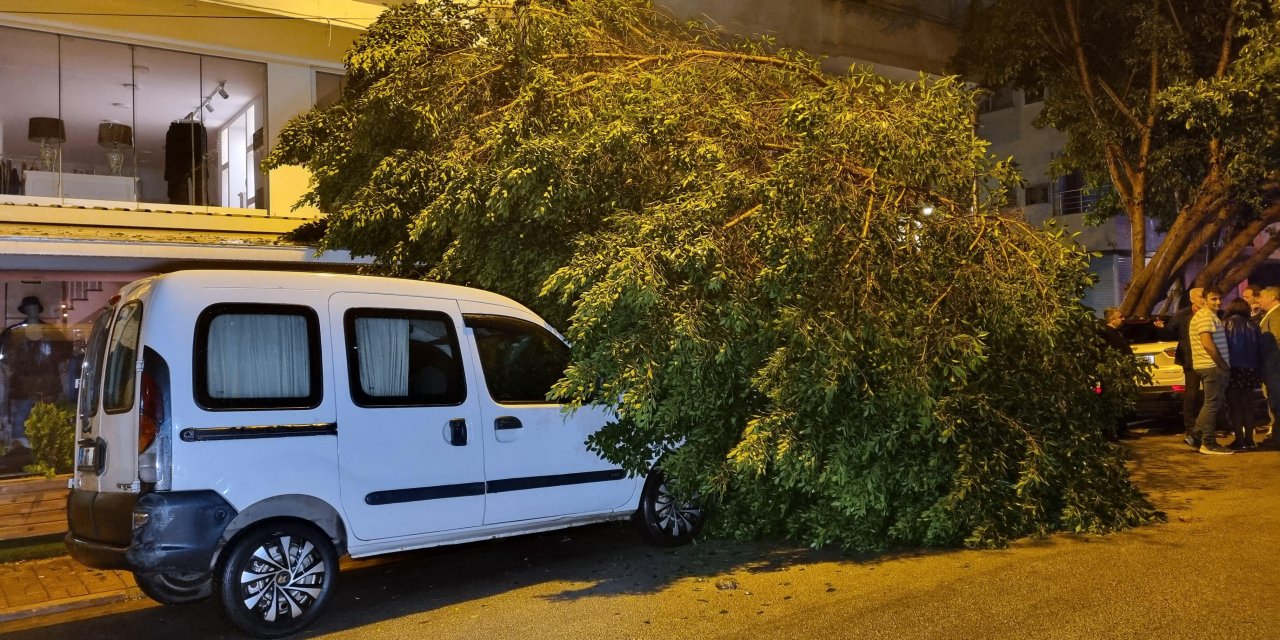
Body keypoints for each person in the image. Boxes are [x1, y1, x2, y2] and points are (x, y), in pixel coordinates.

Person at [0, 296, 70, 447]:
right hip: (22, 389)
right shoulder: (13, 333)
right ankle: (21, 453)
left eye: (34, 307)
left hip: (48, 389)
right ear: (24, 310)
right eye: (28, 307)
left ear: (38, 309)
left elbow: (64, 359)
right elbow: (5, 363)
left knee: (47, 427)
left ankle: (43, 453)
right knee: (20, 426)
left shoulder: (51, 332)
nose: (31, 310)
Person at [1190, 288, 1233, 454]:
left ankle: (1196, 436)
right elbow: (1207, 343)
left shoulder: (1206, 316)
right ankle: (1208, 443)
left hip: (1208, 366)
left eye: (1219, 299)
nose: (1218, 302)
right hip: (1212, 366)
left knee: (1210, 403)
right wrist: (1222, 363)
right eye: (1213, 299)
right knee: (1212, 404)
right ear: (1204, 300)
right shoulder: (1206, 316)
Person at [1162, 288, 1205, 446]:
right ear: (1192, 299)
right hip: (1190, 360)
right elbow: (1169, 333)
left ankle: (1211, 427)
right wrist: (1161, 328)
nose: (1204, 299)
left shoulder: (1209, 313)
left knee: (1210, 395)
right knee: (1191, 395)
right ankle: (1190, 428)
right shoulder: (1182, 315)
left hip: (1207, 359)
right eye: (1201, 296)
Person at [1223, 298, 1262, 450]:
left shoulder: (1225, 323)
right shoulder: (1254, 325)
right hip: (1251, 368)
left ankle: (1239, 439)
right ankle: (1250, 439)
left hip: (1233, 368)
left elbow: (1223, 345)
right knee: (1248, 404)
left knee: (1234, 405)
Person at [1098, 307, 1132, 440]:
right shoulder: (1105, 333)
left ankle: (1122, 430)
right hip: (1112, 373)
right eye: (1120, 317)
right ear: (1112, 319)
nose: (1123, 319)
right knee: (1113, 402)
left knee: (1122, 401)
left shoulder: (1118, 332)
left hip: (1121, 371)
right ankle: (1111, 432)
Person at [1257, 286, 1280, 446]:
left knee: (1276, 401)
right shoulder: (1269, 315)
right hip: (1271, 366)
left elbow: (1277, 340)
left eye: (1262, 297)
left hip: (1274, 366)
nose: (1259, 300)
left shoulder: (1277, 314)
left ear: (1272, 298)